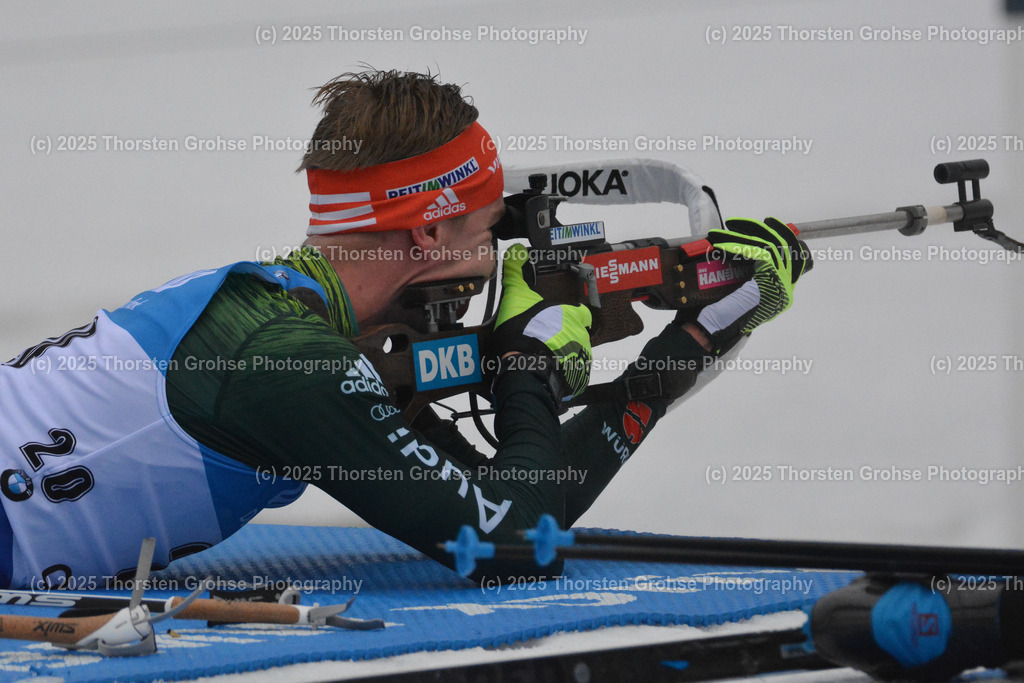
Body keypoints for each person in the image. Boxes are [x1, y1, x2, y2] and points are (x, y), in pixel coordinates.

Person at [0, 69, 805, 590]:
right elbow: (517, 545)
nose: (495, 259)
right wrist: (528, 359)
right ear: (429, 230)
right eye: (488, 231)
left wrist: (689, 343)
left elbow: (520, 506)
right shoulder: (290, 364)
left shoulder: (295, 324)